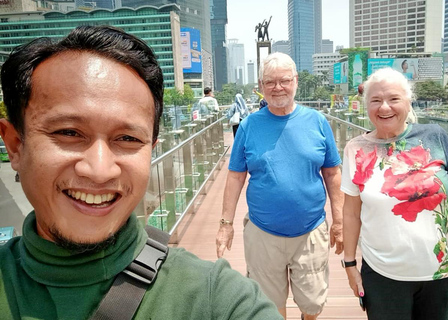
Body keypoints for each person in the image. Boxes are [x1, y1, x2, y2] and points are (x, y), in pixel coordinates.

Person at [0, 25, 283, 319]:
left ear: (151, 149)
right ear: (15, 145)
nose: (99, 170)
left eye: (128, 139)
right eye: (69, 132)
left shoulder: (216, 299)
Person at [341, 67, 448, 319]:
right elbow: (351, 213)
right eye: (375, 100)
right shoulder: (355, 149)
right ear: (366, 106)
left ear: (408, 101)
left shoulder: (436, 137)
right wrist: (349, 264)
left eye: (394, 99)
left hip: (441, 272)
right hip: (383, 275)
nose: (385, 108)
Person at [216, 52, 344, 320]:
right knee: (270, 306)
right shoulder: (250, 125)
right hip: (263, 233)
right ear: (261, 86)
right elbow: (235, 176)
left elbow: (332, 173)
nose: (277, 88)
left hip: (310, 230)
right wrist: (225, 225)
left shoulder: (317, 121)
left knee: (312, 304)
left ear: (295, 81)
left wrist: (340, 222)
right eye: (270, 82)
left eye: (284, 80)